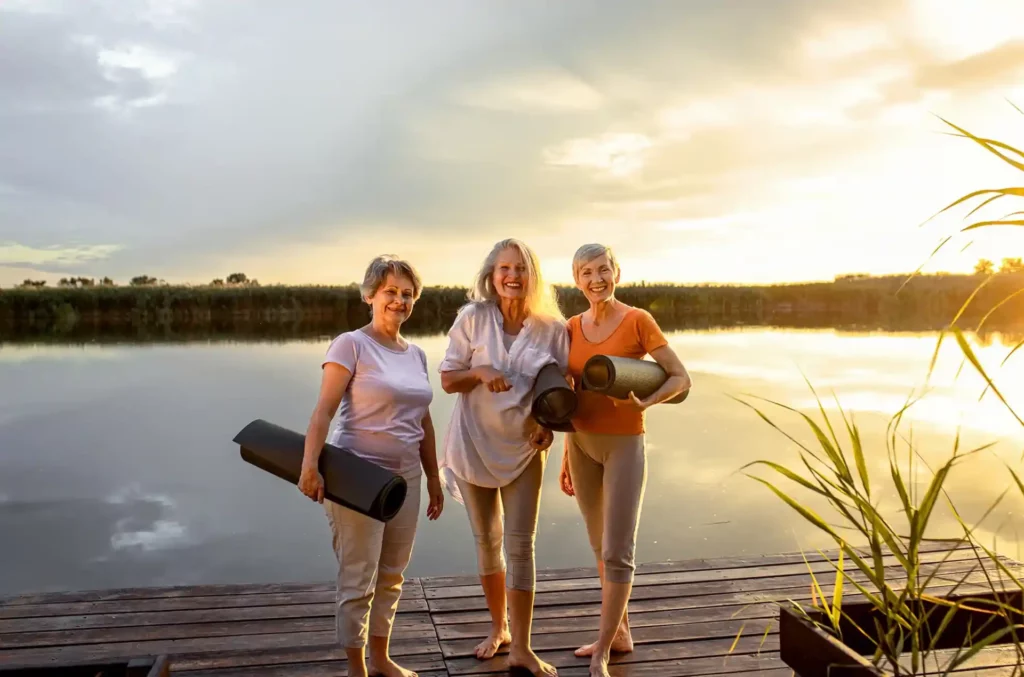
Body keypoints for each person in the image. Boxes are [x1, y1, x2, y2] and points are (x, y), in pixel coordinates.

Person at [298, 255, 444, 677]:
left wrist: (434, 478)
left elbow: (424, 421)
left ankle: (381, 659)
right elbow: (324, 411)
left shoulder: (416, 354)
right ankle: (356, 668)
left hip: (407, 480)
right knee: (358, 577)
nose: (399, 300)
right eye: (390, 292)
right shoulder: (350, 344)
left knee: (393, 576)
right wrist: (310, 465)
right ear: (369, 296)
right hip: (357, 479)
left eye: (407, 294)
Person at [558, 243, 691, 677]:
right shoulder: (571, 327)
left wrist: (647, 402)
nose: (596, 280)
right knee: (599, 547)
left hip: (623, 445)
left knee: (618, 551)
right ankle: (621, 634)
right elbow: (571, 391)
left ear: (617, 271)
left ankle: (602, 650)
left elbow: (680, 376)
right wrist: (565, 451)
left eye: (603, 270)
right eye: (586, 273)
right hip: (581, 444)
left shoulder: (638, 320)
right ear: (576, 280)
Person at [438, 238, 569, 677]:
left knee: (520, 545)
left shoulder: (552, 328)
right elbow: (447, 380)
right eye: (504, 268)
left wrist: (546, 424)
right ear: (492, 277)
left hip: (525, 447)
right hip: (472, 441)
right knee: (486, 541)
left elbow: (562, 391)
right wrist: (479, 371)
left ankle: (523, 648)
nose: (512, 276)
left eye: (521, 268)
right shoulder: (472, 318)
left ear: (533, 276)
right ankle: (499, 630)